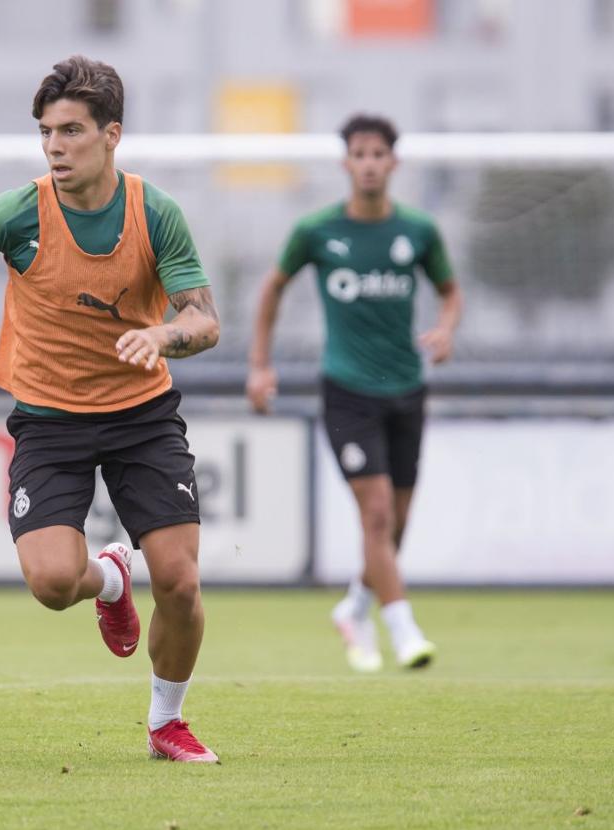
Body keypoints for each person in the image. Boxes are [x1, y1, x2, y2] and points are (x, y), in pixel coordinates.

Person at [0, 56, 221, 762]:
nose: (55, 146)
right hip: (48, 420)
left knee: (179, 580)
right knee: (51, 584)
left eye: (71, 130)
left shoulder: (154, 212)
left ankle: (166, 723)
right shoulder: (18, 213)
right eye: (47, 131)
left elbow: (204, 320)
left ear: (111, 135)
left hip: (142, 416)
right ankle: (109, 577)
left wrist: (163, 333)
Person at [246, 113, 463, 672]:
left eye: (378, 154)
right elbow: (271, 289)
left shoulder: (417, 231)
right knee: (376, 515)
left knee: (397, 523)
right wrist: (260, 365)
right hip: (346, 391)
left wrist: (445, 328)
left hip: (407, 390)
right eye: (359, 154)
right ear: (346, 163)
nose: (369, 164)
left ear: (393, 162)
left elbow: (450, 290)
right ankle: (404, 629)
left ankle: (354, 608)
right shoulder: (317, 231)